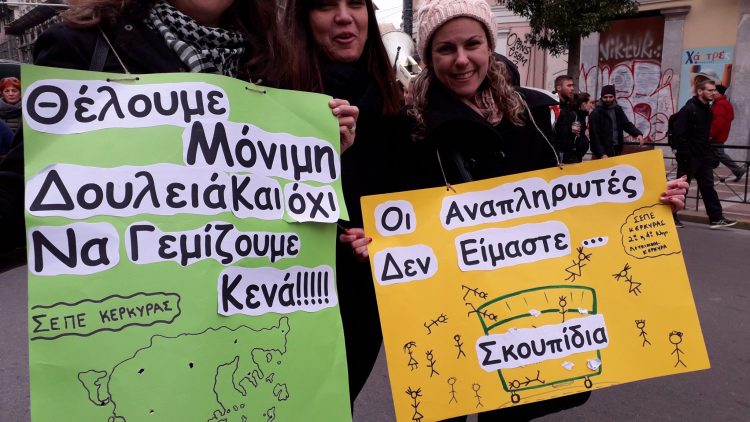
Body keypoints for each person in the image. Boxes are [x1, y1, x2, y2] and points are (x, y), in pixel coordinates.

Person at [349, 0, 688, 419]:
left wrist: (650, 201)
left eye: (472, 44)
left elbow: (568, 204)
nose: (461, 60)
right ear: (429, 57)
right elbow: (382, 203)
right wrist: (370, 239)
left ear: (489, 46)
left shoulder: (530, 112)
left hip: (523, 306)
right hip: (445, 307)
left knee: (511, 407)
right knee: (447, 402)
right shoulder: (405, 125)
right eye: (445, 49)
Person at [0, 0, 358, 251]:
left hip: (248, 311)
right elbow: (24, 193)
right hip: (140, 309)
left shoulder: (267, 60)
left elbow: (276, 212)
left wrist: (315, 162)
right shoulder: (86, 45)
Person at [280, 0, 406, 407]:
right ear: (303, 19)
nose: (343, 16)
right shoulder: (269, 94)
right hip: (283, 293)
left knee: (335, 404)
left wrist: (385, 238)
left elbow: (413, 208)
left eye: (355, 3)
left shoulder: (397, 106)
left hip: (361, 299)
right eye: (324, 6)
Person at [673, 79, 736, 229]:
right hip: (689, 157)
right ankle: (670, 217)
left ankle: (716, 218)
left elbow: (705, 135)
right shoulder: (688, 109)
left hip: (704, 156)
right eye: (710, 90)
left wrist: (709, 155)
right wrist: (686, 155)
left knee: (708, 187)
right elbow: (678, 135)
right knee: (681, 189)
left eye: (714, 90)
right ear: (700, 91)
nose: (713, 93)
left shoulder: (708, 109)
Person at [588, 84, 644, 159]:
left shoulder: (618, 109)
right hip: (603, 154)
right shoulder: (596, 113)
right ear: (601, 97)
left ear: (614, 97)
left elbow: (626, 124)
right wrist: (601, 154)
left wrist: (638, 134)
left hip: (616, 149)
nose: (608, 99)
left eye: (610, 97)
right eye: (605, 97)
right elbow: (595, 137)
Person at [710, 84, 745, 182]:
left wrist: (710, 134)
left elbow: (718, 123)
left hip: (716, 136)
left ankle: (738, 170)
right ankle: (704, 173)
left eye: (715, 91)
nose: (713, 93)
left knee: (719, 155)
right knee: (712, 155)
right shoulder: (720, 103)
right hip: (719, 135)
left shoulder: (720, 104)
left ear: (720, 93)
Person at [553, 91, 591, 164]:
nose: (591, 105)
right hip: (571, 155)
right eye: (590, 103)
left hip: (574, 154)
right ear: (584, 104)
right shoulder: (575, 116)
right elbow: (574, 136)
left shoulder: (581, 115)